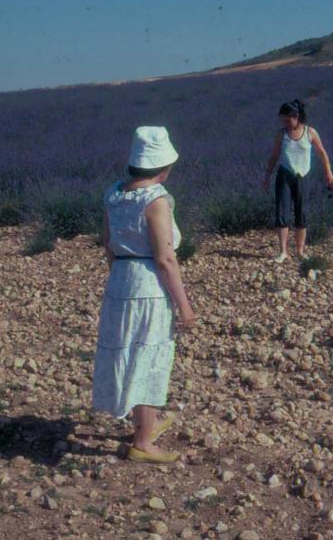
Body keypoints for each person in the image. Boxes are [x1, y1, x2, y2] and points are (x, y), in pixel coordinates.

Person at [91, 126, 196, 464]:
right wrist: (185, 306)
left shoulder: (114, 194)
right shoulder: (157, 201)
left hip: (121, 280)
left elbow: (107, 244)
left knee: (128, 351)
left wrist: (121, 277)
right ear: (163, 167)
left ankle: (145, 423)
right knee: (149, 357)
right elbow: (165, 258)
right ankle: (143, 443)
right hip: (148, 287)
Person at [261, 99, 333, 262]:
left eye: (287, 119)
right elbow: (274, 156)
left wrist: (329, 173)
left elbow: (322, 153)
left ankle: (301, 251)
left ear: (296, 116)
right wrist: (267, 176)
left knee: (302, 213)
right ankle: (283, 252)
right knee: (282, 212)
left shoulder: (310, 132)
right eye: (282, 120)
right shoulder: (281, 134)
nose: (285, 123)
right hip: (285, 176)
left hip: (303, 175)